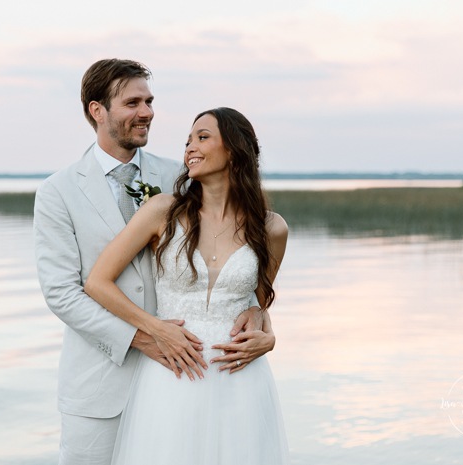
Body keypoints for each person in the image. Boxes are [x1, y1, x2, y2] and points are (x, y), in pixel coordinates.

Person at [33, 59, 276, 465]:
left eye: (149, 101)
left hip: (189, 382)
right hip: (100, 386)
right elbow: (62, 294)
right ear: (98, 111)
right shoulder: (58, 192)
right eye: (132, 103)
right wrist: (145, 336)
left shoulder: (183, 175)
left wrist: (262, 321)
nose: (146, 112)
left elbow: (240, 259)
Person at [85, 107, 290, 465]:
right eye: (187, 141)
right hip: (174, 376)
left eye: (202, 137)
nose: (190, 148)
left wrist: (268, 335)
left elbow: (259, 302)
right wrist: (154, 328)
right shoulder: (162, 211)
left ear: (234, 150)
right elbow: (98, 282)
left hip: (241, 380)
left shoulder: (271, 229)